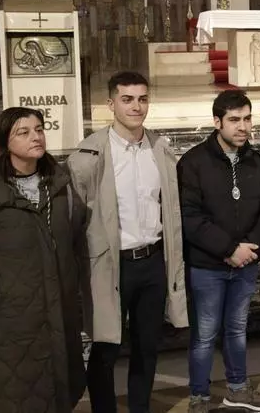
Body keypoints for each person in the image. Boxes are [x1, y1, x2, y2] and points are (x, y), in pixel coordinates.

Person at [0, 107, 87, 413]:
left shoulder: (61, 187)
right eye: (23, 132)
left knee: (60, 389)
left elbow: (71, 239)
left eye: (39, 129)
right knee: (14, 396)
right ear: (4, 142)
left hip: (58, 312)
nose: (36, 137)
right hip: (9, 320)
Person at [68, 71, 187, 413]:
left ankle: (140, 408)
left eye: (142, 99)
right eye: (128, 99)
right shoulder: (89, 157)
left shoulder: (160, 150)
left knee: (147, 345)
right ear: (111, 104)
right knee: (106, 347)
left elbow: (170, 210)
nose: (137, 106)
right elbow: (75, 219)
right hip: (111, 264)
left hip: (152, 261)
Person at [179, 89, 260, 412]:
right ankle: (199, 396)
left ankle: (237, 388)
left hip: (245, 262)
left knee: (237, 330)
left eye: (247, 119)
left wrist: (250, 248)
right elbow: (190, 217)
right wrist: (228, 249)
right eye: (234, 120)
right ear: (217, 121)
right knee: (205, 335)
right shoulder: (193, 162)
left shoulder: (256, 161)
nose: (243, 127)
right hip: (208, 265)